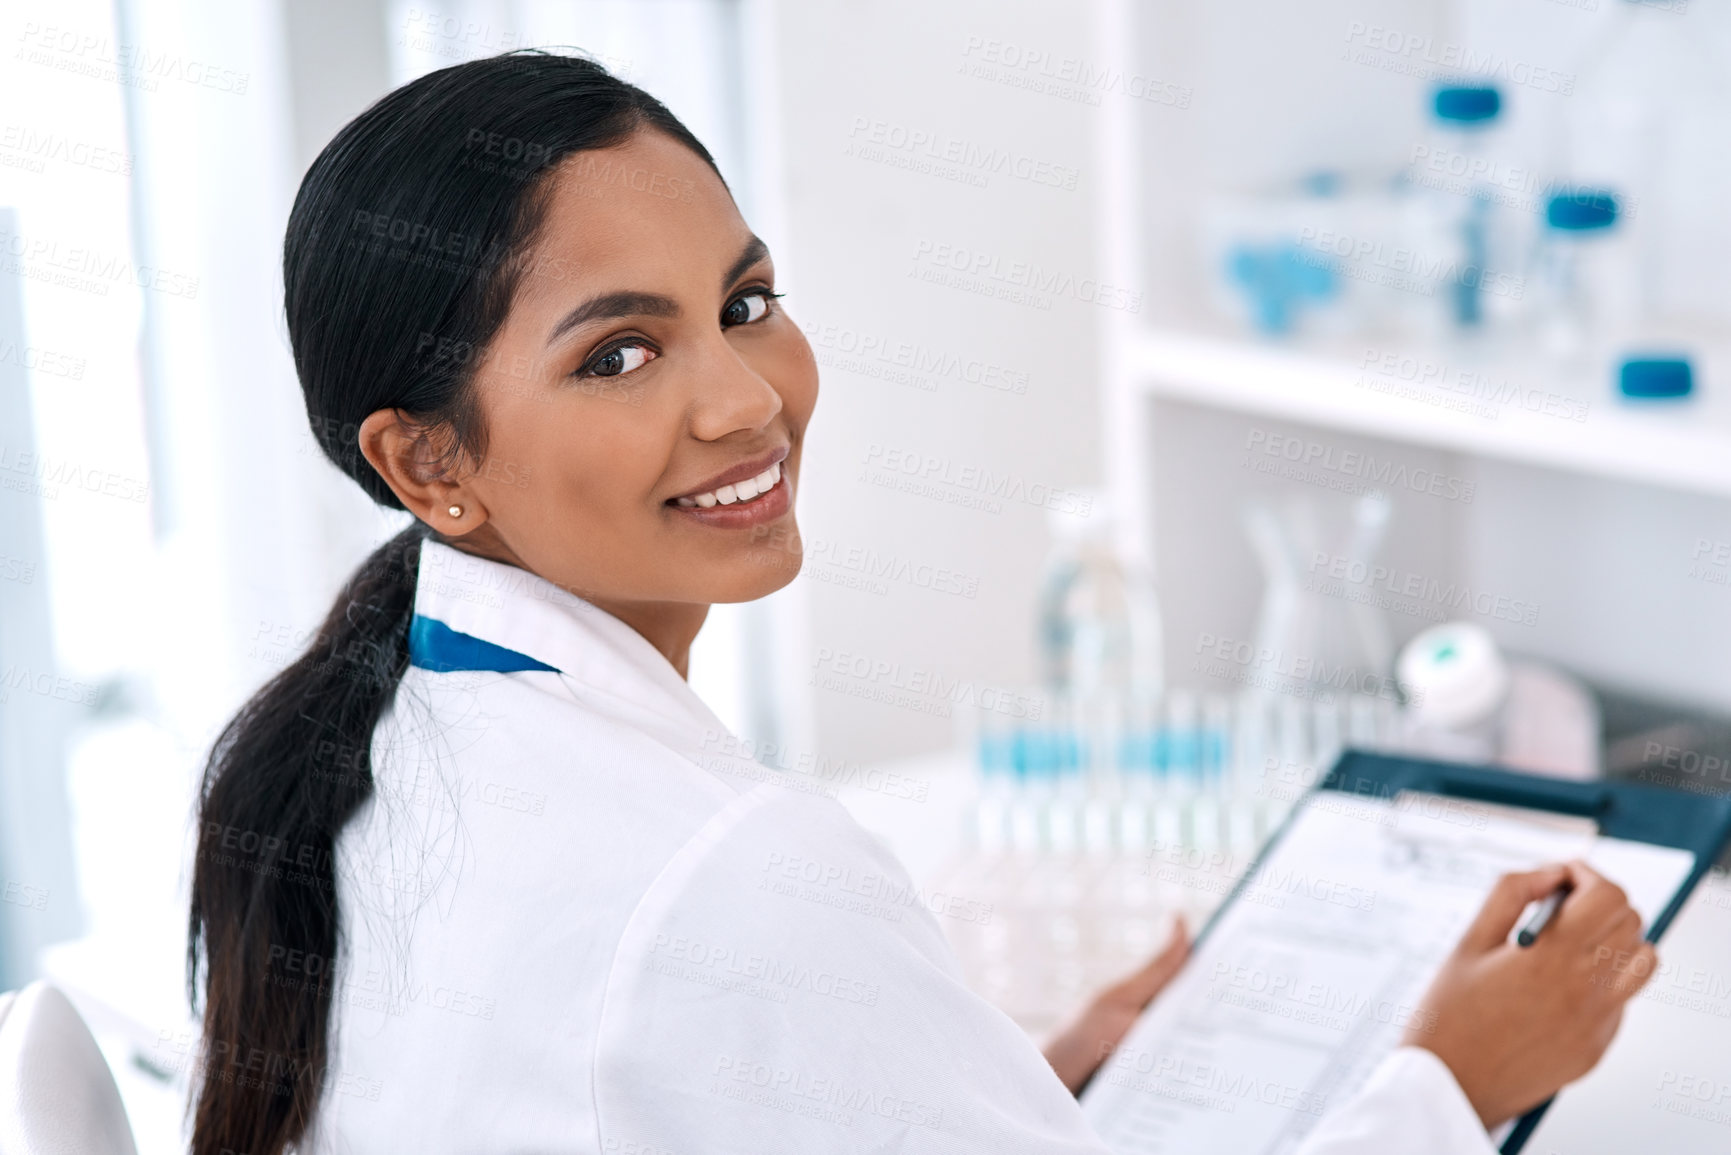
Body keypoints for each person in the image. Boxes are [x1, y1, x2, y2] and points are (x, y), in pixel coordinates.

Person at [187, 52, 1656, 1155]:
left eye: (743, 302)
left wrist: (1018, 1076)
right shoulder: (733, 869)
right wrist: (1454, 1083)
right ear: (428, 460)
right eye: (619, 356)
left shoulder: (375, 753)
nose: (746, 400)